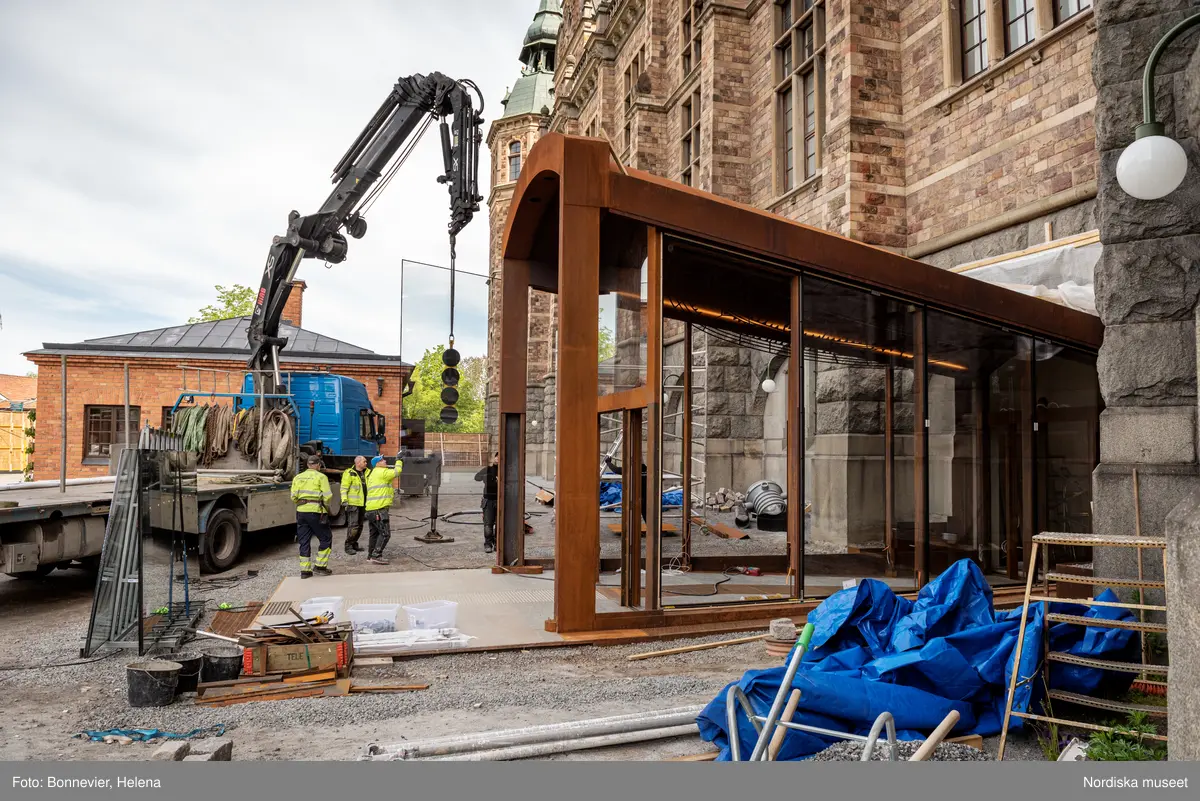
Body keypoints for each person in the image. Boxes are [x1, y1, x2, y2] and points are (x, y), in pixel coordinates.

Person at [291, 454, 333, 578]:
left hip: (301, 512)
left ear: (308, 465)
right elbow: (328, 495)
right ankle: (320, 566)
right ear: (318, 465)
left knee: (304, 541)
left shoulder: (298, 477)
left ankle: (305, 571)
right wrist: (325, 507)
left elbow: (293, 496)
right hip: (316, 511)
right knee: (326, 538)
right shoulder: (321, 477)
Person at [364, 455, 400, 565]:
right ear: (377, 464)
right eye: (382, 460)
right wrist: (399, 461)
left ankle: (370, 555)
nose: (384, 461)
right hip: (379, 509)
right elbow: (397, 472)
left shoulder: (373, 473)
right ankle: (376, 555)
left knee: (374, 534)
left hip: (371, 509)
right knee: (385, 534)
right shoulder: (381, 472)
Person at [604, 455, 647, 527]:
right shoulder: (646, 469)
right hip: (646, 496)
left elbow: (616, 470)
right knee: (646, 514)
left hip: (636, 497)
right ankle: (652, 531)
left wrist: (608, 462)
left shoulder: (632, 469)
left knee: (633, 515)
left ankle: (634, 532)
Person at [340, 456, 369, 555]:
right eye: (364, 461)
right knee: (353, 526)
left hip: (363, 504)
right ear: (358, 463)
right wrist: (344, 500)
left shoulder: (367, 473)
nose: (366, 463)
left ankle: (354, 543)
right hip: (353, 504)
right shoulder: (349, 473)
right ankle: (348, 545)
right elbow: (344, 488)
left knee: (360, 526)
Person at [475, 452, 499, 553]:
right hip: (488, 500)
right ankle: (488, 543)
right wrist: (487, 477)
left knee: (500, 524)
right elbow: (477, 478)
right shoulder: (488, 469)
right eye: (497, 457)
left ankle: (498, 543)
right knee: (488, 525)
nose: (498, 459)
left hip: (501, 500)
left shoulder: (506, 471)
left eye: (500, 457)